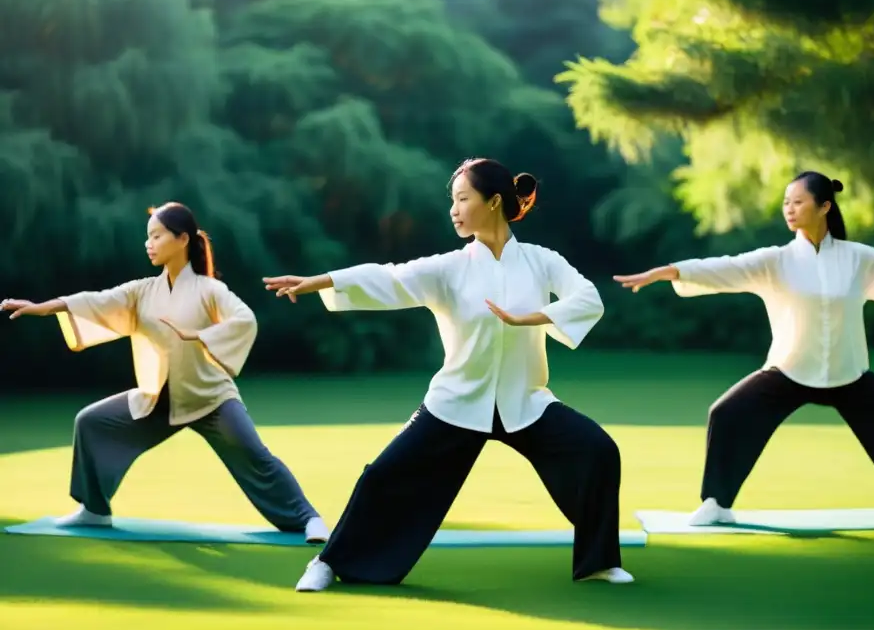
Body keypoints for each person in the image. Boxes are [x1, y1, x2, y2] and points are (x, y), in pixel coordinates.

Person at [264, 158, 632, 591]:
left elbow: (587, 297)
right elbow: (390, 278)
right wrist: (321, 281)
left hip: (525, 401)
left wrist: (532, 318)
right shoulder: (450, 268)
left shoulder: (541, 261)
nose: (454, 210)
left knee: (598, 451)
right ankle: (328, 561)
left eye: (463, 199)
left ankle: (597, 561)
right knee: (383, 475)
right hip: (456, 403)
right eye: (453, 201)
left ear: (494, 202)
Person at [613, 171, 874, 526]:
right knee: (727, 413)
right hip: (789, 369)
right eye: (786, 203)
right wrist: (668, 272)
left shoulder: (857, 258)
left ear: (824, 206)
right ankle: (716, 503)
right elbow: (723, 266)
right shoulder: (776, 261)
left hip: (848, 373)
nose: (789, 210)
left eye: (797, 202)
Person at [0, 202, 329, 543]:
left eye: (157, 236)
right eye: (148, 237)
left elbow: (243, 319)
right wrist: (43, 308)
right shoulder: (142, 290)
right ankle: (95, 510)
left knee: (256, 457)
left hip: (212, 399)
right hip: (156, 399)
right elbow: (96, 300)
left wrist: (201, 335)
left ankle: (309, 519)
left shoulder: (209, 289)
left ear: (182, 239)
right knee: (90, 422)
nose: (149, 243)